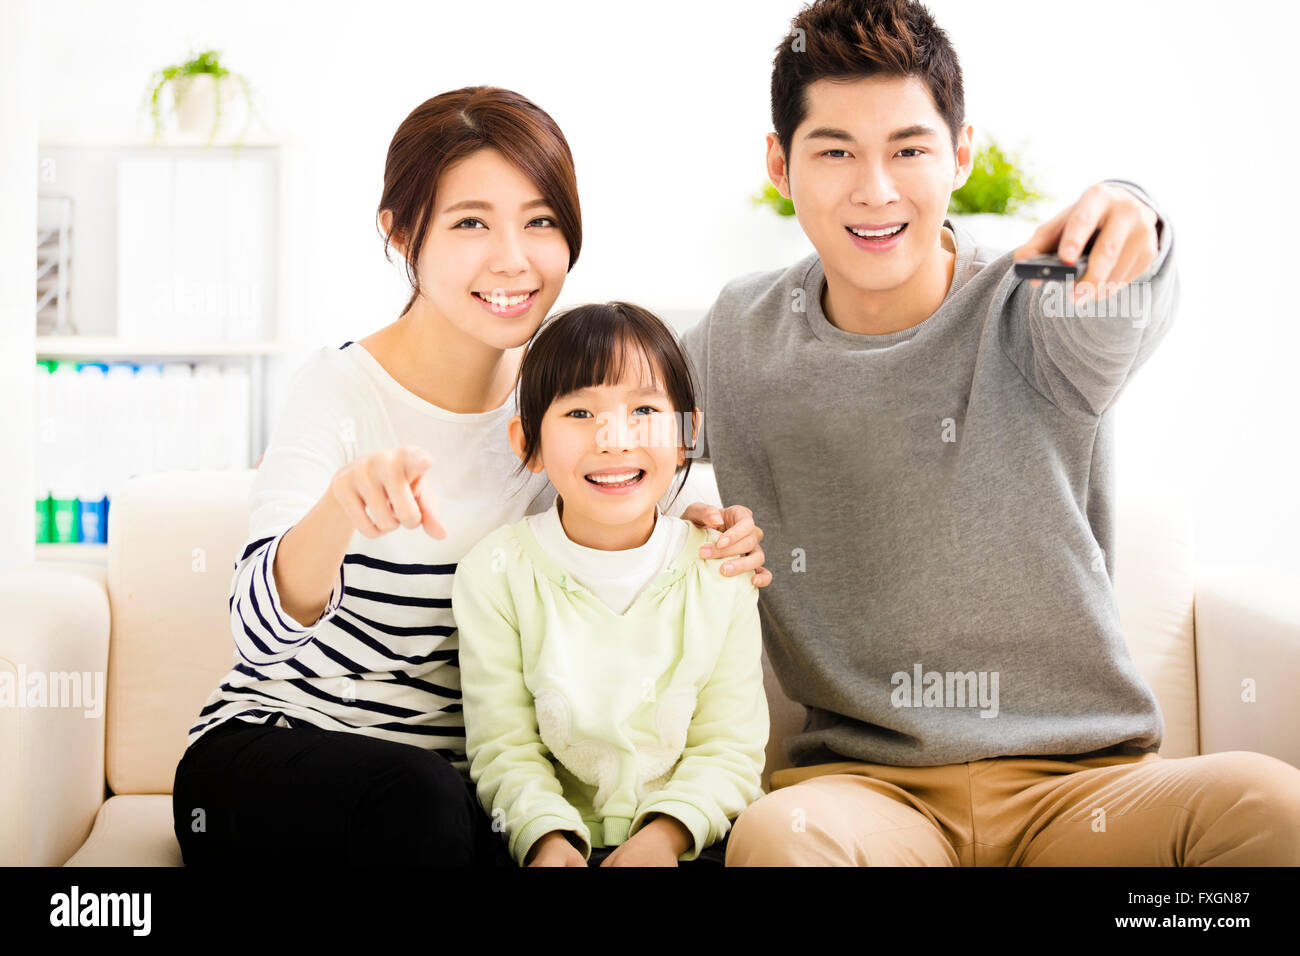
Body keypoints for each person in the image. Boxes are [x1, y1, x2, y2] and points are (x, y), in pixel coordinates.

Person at [682, 0, 1300, 865]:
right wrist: (675, 530)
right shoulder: (739, 335)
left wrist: (1137, 216)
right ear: (781, 165)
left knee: (1275, 805)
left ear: (961, 153)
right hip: (871, 796)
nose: (876, 189)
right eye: (834, 153)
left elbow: (1122, 302)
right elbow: (602, 428)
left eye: (909, 149)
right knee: (779, 840)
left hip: (1085, 788)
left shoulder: (1031, 301)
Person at [170, 87, 770, 868]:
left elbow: (663, 500)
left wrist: (723, 530)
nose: (512, 258)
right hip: (276, 756)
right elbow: (255, 632)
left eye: (541, 221)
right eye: (470, 223)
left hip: (462, 796)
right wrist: (337, 511)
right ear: (401, 233)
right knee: (422, 803)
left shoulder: (565, 405)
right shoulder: (340, 390)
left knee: (470, 817)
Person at [452, 301, 768, 867]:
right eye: (579, 413)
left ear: (687, 432)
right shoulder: (496, 573)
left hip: (693, 839)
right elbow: (505, 749)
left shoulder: (721, 568)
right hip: (545, 843)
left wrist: (662, 838)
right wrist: (547, 839)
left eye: (644, 409)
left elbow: (729, 748)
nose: (615, 439)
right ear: (529, 443)